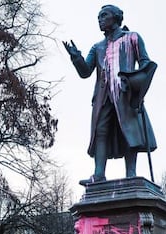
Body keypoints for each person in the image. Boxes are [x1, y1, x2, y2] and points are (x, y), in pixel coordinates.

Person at [63, 4, 157, 185]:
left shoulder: (132, 38)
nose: (100, 20)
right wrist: (76, 57)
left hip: (125, 93)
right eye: (98, 17)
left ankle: (131, 174)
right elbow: (85, 72)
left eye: (104, 16)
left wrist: (136, 84)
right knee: (101, 132)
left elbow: (145, 63)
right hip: (103, 96)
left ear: (116, 17)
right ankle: (99, 174)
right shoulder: (97, 47)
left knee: (128, 132)